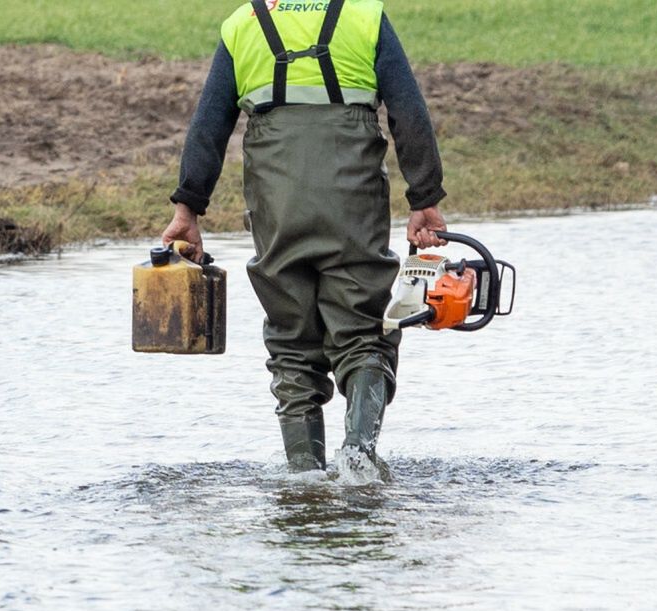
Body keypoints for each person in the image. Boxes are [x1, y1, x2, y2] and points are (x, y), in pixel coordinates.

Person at [161, 0, 447, 473]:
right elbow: (408, 112)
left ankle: (303, 478)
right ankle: (358, 458)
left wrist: (187, 208)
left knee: (292, 342)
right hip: (351, 201)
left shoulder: (242, 24)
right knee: (362, 334)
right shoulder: (364, 16)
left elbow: (208, 126)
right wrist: (425, 198)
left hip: (277, 208)